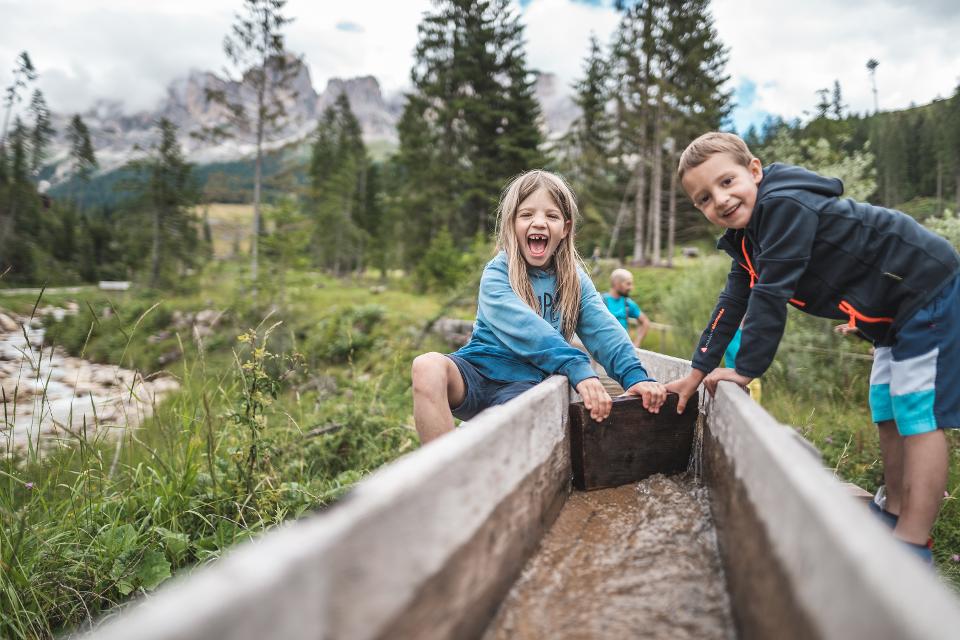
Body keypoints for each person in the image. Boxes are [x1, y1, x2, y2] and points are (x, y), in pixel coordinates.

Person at [665, 132, 960, 564]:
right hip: (892, 313)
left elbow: (771, 292)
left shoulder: (784, 206)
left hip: (926, 288)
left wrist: (745, 370)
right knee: (886, 406)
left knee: (917, 410)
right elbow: (731, 304)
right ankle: (892, 512)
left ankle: (913, 544)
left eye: (727, 182)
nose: (720, 201)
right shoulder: (747, 241)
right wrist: (694, 375)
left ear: (755, 170)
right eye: (705, 199)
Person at [412, 170, 667, 444]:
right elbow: (527, 328)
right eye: (527, 215)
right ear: (511, 224)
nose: (539, 223)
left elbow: (603, 328)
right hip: (478, 371)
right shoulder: (498, 272)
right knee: (426, 366)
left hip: (525, 384)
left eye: (552, 216)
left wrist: (634, 376)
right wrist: (577, 366)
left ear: (565, 228)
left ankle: (483, 447)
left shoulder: (574, 280)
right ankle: (446, 470)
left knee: (507, 419)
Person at [602, 268, 651, 348]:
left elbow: (645, 322)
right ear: (616, 283)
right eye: (628, 284)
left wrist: (637, 343)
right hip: (603, 351)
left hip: (623, 351)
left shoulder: (627, 303)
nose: (631, 288)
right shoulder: (601, 302)